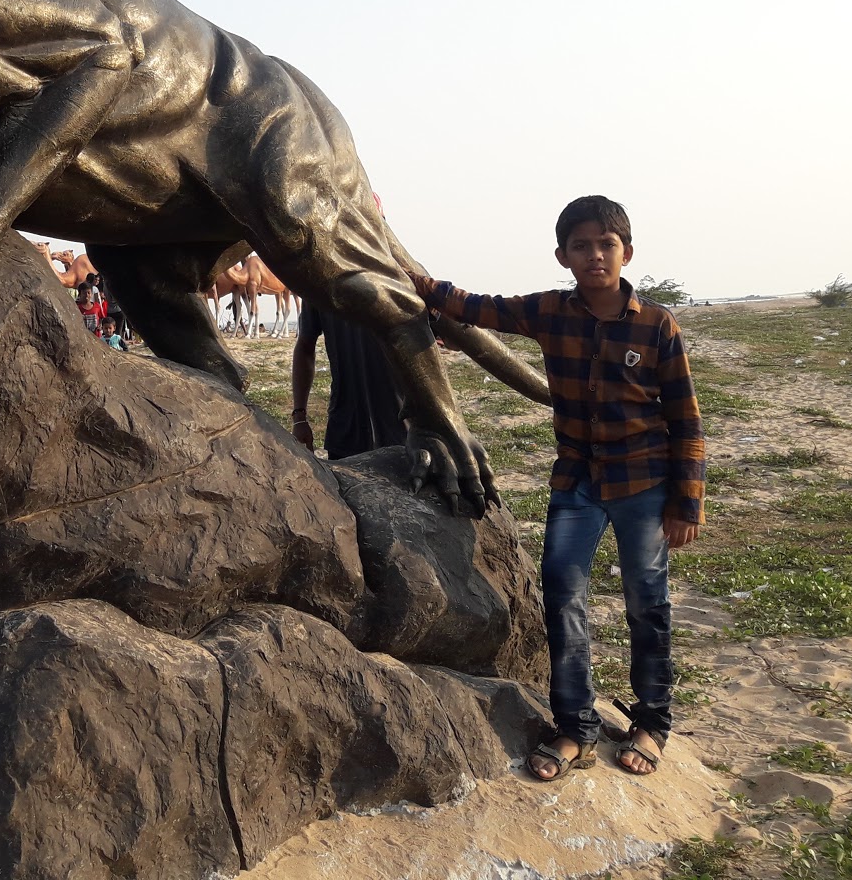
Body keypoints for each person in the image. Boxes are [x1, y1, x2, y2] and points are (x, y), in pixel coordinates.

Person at [414, 196, 704, 782]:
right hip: (577, 480)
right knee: (563, 594)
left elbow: (686, 420)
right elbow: (479, 307)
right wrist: (418, 282)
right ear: (562, 256)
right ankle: (575, 727)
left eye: (606, 245)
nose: (595, 255)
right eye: (581, 246)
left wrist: (686, 503)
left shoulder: (657, 326)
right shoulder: (549, 312)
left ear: (626, 253)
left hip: (645, 482)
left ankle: (652, 723)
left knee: (646, 603)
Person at [289, 302, 411, 458]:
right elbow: (305, 346)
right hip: (346, 429)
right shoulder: (319, 288)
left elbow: (435, 337)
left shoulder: (412, 285)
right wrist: (299, 418)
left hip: (405, 427)